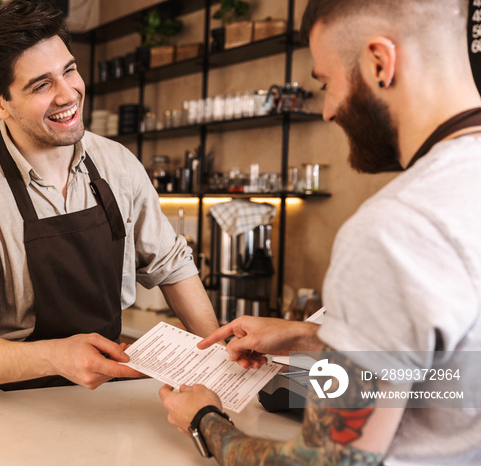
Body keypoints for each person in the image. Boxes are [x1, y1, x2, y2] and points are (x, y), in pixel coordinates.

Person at [160, 0, 481, 463]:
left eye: (328, 83)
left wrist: (204, 419)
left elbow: (326, 461)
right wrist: (305, 336)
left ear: (379, 62)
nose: (328, 111)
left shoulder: (396, 228)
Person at [0, 0, 219, 391]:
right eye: (42, 85)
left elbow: (171, 264)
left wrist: (217, 356)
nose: (68, 94)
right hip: (17, 412)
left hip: (111, 400)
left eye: (69, 70)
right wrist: (55, 356)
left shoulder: (117, 165)